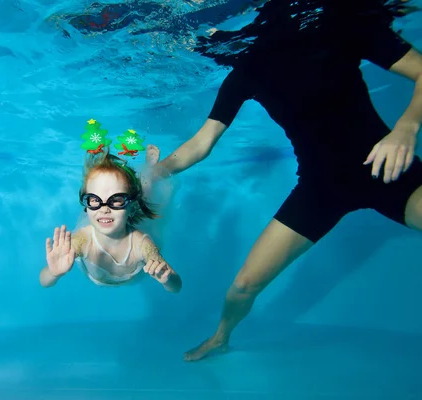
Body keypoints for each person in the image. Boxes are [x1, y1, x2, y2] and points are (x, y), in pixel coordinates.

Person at [145, 0, 422, 361]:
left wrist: (405, 129)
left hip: (388, 167)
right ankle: (220, 337)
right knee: (243, 287)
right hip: (321, 188)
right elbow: (201, 143)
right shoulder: (247, 67)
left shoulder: (340, 24)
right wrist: (155, 172)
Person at [39, 120, 182, 293]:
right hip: (102, 273)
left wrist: (167, 279)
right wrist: (54, 273)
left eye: (116, 200)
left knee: (148, 202)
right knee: (131, 191)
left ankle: (149, 174)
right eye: (94, 200)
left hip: (133, 273)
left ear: (130, 207)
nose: (104, 208)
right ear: (87, 203)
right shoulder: (81, 241)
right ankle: (140, 180)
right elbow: (44, 281)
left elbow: (176, 287)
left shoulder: (143, 245)